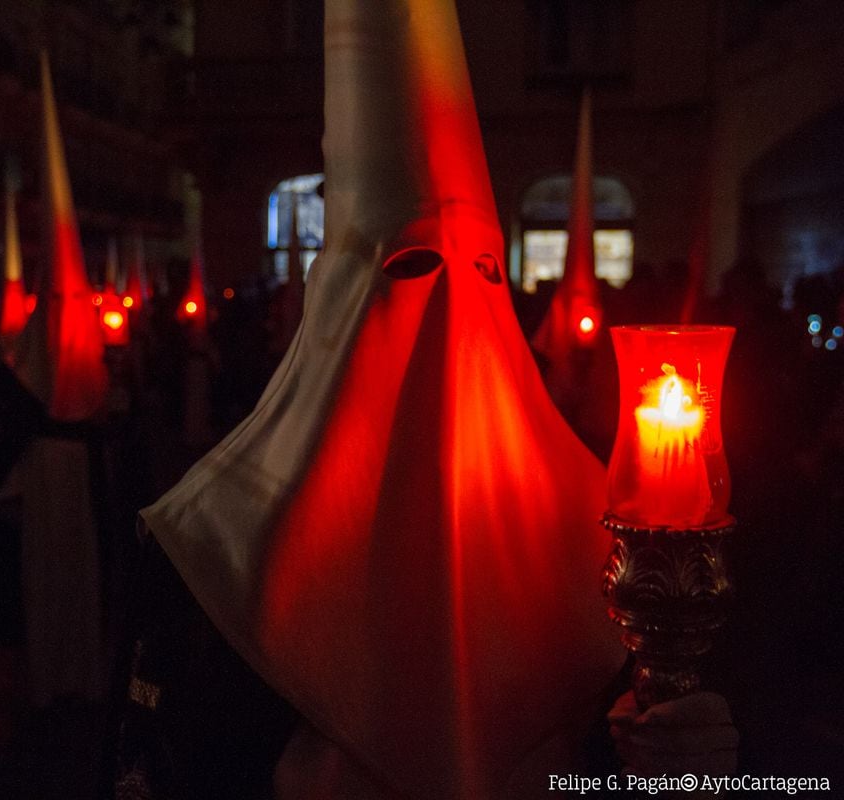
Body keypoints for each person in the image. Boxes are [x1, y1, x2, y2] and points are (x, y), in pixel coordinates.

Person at [112, 2, 737, 797]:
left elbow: (620, 765)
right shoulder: (215, 554)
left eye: (482, 275)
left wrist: (680, 760)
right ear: (334, 301)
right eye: (408, 271)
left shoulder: (604, 545)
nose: (445, 317)